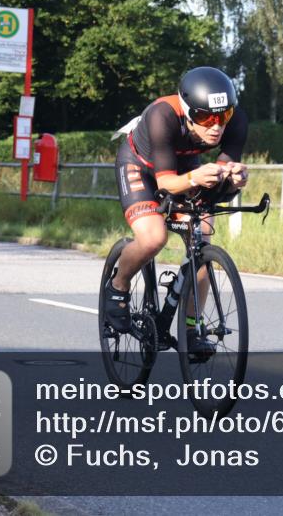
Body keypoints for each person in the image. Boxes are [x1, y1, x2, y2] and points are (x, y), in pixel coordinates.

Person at [107, 66, 248, 354]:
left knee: (202, 235)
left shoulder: (236, 121)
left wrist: (234, 180)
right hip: (140, 167)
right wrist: (196, 178)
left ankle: (191, 330)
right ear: (186, 110)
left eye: (223, 117)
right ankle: (118, 285)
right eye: (206, 117)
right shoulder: (163, 115)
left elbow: (221, 177)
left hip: (182, 166)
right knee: (153, 238)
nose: (216, 126)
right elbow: (166, 183)